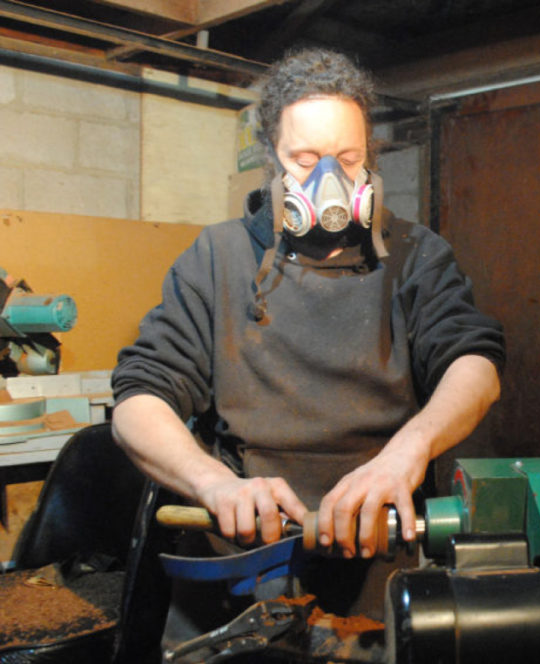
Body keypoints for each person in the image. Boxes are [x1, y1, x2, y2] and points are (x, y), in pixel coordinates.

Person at [111, 48, 504, 590]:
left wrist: (404, 456)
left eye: (346, 158)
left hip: (381, 553)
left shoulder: (416, 253)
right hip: (242, 556)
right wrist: (215, 485)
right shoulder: (216, 256)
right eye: (304, 159)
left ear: (369, 158)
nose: (329, 178)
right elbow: (138, 402)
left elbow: (475, 367)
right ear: (272, 158)